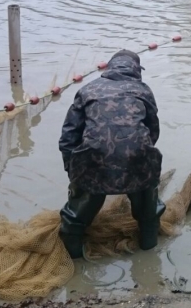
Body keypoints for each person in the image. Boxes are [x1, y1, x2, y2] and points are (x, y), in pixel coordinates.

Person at [58, 49, 164, 259]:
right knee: (147, 210)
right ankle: (148, 251)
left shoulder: (87, 89)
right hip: (138, 159)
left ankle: (74, 259)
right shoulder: (143, 90)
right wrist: (134, 152)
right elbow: (153, 131)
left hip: (93, 160)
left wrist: (73, 169)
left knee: (77, 214)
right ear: (136, 70)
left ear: (108, 68)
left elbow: (69, 136)